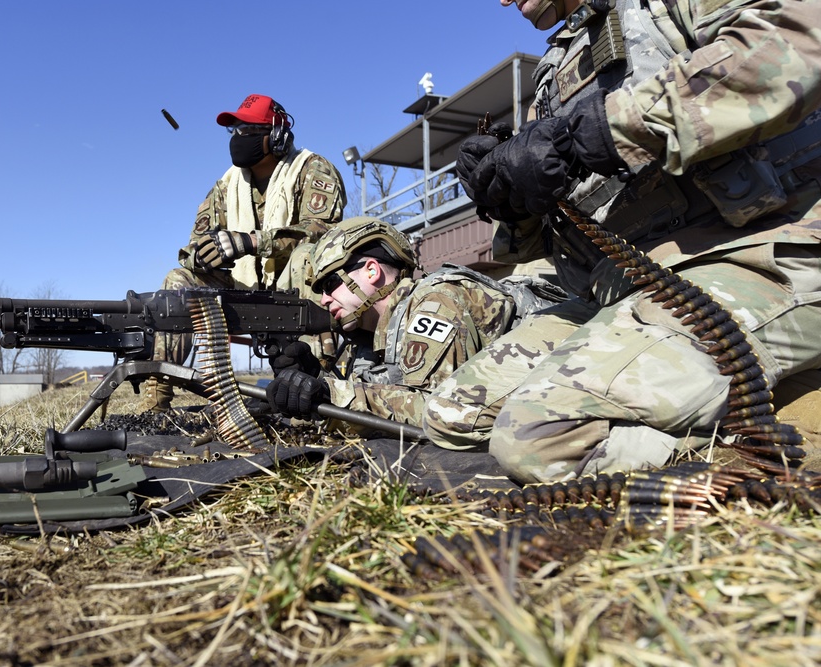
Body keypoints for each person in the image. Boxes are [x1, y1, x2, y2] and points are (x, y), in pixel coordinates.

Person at [422, 0, 821, 483]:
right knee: (453, 415)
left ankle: (777, 434)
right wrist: (511, 199)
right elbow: (556, 237)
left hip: (758, 251)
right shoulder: (554, 75)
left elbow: (798, 40)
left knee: (539, 442)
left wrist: (602, 131)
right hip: (624, 285)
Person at [265, 216, 566, 430]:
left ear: (371, 271)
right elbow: (384, 394)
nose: (325, 299)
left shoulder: (436, 301)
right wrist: (315, 382)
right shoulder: (371, 335)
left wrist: (330, 395)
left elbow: (436, 411)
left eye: (330, 283)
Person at [145, 94, 347, 412]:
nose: (239, 138)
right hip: (242, 290)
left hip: (296, 289)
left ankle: (318, 387)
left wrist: (251, 242)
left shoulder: (312, 169)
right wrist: (204, 255)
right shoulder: (228, 185)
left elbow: (322, 233)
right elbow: (192, 246)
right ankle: (157, 404)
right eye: (235, 130)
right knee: (179, 280)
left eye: (249, 130)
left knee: (307, 254)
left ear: (277, 135)